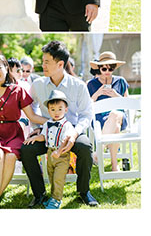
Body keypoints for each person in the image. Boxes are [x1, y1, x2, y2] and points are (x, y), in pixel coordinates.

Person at [21, 40, 98, 207]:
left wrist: (75, 133)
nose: (43, 65)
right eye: (43, 61)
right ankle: (40, 194)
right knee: (26, 149)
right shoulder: (38, 84)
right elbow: (31, 109)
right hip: (47, 134)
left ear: (60, 64)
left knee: (85, 148)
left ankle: (83, 191)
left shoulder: (78, 85)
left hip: (72, 131)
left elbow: (86, 114)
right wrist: (37, 129)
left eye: (47, 62)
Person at [0, 54, 46, 209]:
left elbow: (31, 115)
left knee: (11, 156)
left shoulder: (18, 90)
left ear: (6, 68)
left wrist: (52, 121)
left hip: (14, 133)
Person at [23, 90, 76, 209]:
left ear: (66, 109)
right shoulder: (48, 123)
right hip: (50, 153)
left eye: (59, 109)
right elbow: (44, 136)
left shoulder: (66, 124)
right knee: (51, 176)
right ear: (48, 110)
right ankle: (53, 197)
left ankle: (57, 200)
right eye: (52, 110)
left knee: (58, 178)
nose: (56, 112)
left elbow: (66, 139)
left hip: (61, 155)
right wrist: (36, 138)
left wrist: (59, 151)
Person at [87, 51, 130, 171]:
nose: (107, 72)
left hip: (120, 117)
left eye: (110, 69)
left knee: (115, 114)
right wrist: (98, 93)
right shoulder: (91, 84)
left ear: (114, 68)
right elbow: (87, 105)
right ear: (99, 68)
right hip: (100, 119)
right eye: (104, 69)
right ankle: (114, 166)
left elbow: (128, 103)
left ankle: (97, 153)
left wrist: (116, 95)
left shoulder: (120, 81)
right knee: (114, 127)